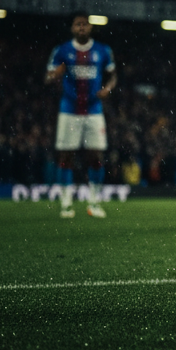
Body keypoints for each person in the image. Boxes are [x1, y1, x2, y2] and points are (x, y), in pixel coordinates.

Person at [45, 12, 117, 218]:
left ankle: (94, 202)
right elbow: (48, 76)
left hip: (94, 110)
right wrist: (54, 74)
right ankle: (66, 203)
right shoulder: (62, 50)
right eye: (78, 24)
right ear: (72, 28)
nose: (81, 28)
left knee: (96, 155)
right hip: (69, 110)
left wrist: (108, 88)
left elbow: (113, 75)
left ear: (90, 27)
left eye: (85, 24)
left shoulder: (103, 50)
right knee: (66, 156)